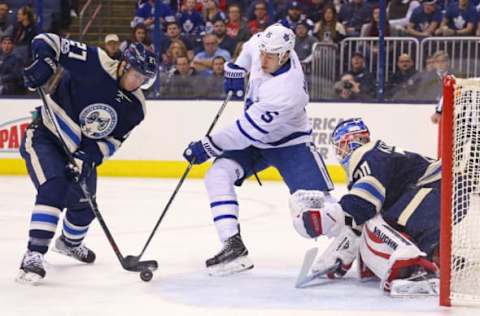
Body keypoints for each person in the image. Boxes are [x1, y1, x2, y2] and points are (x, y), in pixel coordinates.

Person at [182, 23, 334, 276]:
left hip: (290, 144)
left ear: (286, 55)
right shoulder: (262, 44)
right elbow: (251, 46)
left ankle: (357, 242)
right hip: (256, 142)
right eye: (263, 52)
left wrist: (207, 146)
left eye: (271, 56)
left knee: (317, 207)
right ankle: (233, 246)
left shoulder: (288, 89)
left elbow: (243, 133)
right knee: (217, 175)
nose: (263, 59)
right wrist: (235, 69)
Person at [15, 34, 157, 284]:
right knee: (55, 188)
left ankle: (69, 244)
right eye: (136, 75)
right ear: (124, 64)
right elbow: (48, 41)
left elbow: (111, 142)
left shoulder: (136, 108)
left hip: (78, 151)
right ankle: (34, 254)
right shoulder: (96, 61)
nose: (138, 83)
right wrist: (46, 61)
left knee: (86, 205)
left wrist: (87, 158)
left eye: (144, 80)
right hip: (45, 136)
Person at [292, 118, 440, 295]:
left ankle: (418, 271)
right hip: (439, 193)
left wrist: (326, 218)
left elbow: (364, 203)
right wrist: (338, 254)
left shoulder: (364, 154)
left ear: (348, 142)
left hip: (435, 190)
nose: (341, 153)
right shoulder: (377, 155)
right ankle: (436, 258)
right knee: (375, 224)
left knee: (374, 225)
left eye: (340, 146)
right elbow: (359, 219)